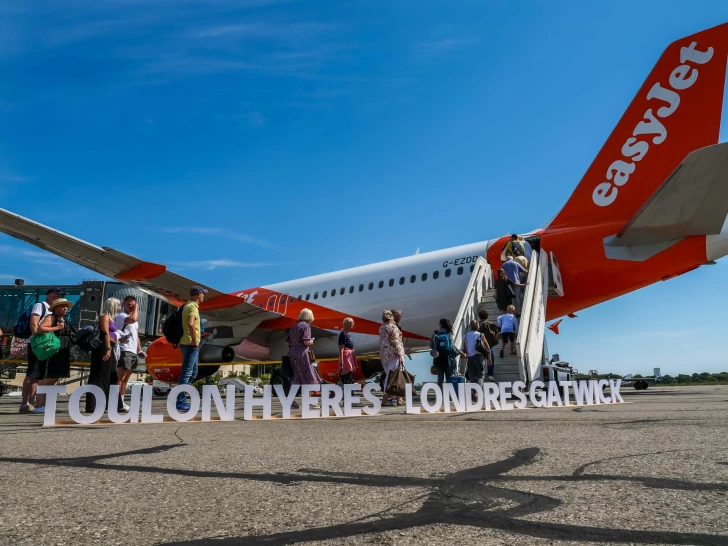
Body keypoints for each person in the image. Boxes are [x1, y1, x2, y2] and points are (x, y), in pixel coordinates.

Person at [20, 288, 63, 413]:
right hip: (38, 344)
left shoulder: (55, 311)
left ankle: (33, 403)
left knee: (39, 375)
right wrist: (36, 340)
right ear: (49, 294)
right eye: (56, 294)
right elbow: (33, 324)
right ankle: (24, 403)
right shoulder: (40, 306)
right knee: (31, 373)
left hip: (47, 346)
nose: (58, 296)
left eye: (60, 295)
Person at [34, 298, 76, 414]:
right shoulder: (51, 317)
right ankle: (39, 405)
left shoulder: (64, 320)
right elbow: (40, 329)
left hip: (61, 351)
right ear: (56, 308)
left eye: (66, 306)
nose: (65, 308)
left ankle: (47, 405)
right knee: (47, 378)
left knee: (54, 378)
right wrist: (57, 328)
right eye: (63, 306)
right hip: (52, 351)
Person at [87, 297, 123, 413]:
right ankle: (94, 405)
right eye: (118, 305)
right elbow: (105, 333)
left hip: (110, 347)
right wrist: (108, 349)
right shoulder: (105, 316)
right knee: (100, 376)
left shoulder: (111, 318)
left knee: (112, 376)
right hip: (104, 347)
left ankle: (114, 404)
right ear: (113, 306)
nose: (120, 308)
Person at [176, 286, 208, 411]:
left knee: (193, 372)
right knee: (187, 372)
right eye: (203, 294)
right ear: (199, 294)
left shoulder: (188, 305)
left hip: (187, 343)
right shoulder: (192, 307)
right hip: (190, 344)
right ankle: (180, 401)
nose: (204, 296)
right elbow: (191, 323)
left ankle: (181, 395)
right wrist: (195, 340)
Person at [115, 295, 146, 412]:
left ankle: (121, 401)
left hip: (132, 351)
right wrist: (136, 308)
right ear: (124, 305)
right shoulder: (122, 316)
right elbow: (133, 319)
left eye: (133, 304)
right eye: (129, 304)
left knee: (126, 378)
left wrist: (139, 350)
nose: (131, 306)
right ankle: (116, 402)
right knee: (120, 378)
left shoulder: (134, 321)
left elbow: (136, 336)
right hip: (124, 349)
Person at [285, 308, 319, 409]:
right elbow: (306, 341)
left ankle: (290, 401)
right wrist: (311, 341)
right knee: (309, 376)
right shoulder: (306, 326)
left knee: (296, 377)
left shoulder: (294, 326)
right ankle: (309, 402)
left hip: (292, 354)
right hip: (302, 354)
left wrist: (295, 343)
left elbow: (287, 341)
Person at [430, 318, 467, 389]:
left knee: (440, 379)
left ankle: (440, 393)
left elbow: (431, 345)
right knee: (449, 378)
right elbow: (452, 347)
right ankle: (449, 393)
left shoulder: (435, 333)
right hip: (448, 359)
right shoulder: (449, 333)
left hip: (438, 359)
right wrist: (460, 352)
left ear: (441, 325)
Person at [379, 310, 405, 406]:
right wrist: (400, 354)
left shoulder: (381, 327)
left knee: (389, 375)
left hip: (384, 354)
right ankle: (385, 398)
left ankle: (396, 398)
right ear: (391, 318)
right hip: (393, 354)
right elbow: (395, 341)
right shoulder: (393, 327)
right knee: (392, 376)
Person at [463, 319, 490, 396]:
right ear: (478, 326)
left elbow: (465, 348)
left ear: (470, 326)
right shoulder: (481, 335)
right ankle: (478, 392)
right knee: (480, 375)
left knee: (472, 376)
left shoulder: (465, 336)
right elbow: (487, 347)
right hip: (479, 356)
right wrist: (489, 357)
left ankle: (474, 392)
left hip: (470, 358)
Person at [478, 309, 497, 381]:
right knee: (491, 358)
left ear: (479, 316)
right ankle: (490, 374)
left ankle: (481, 375)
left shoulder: (478, 324)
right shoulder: (490, 323)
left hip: (480, 345)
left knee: (481, 360)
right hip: (490, 344)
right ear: (487, 316)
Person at [338, 318, 356, 385]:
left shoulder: (348, 334)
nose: (351, 324)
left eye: (352, 322)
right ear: (345, 324)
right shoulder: (343, 334)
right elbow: (341, 349)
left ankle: (349, 389)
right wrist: (341, 362)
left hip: (349, 357)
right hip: (346, 358)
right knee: (346, 374)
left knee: (350, 374)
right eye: (349, 323)